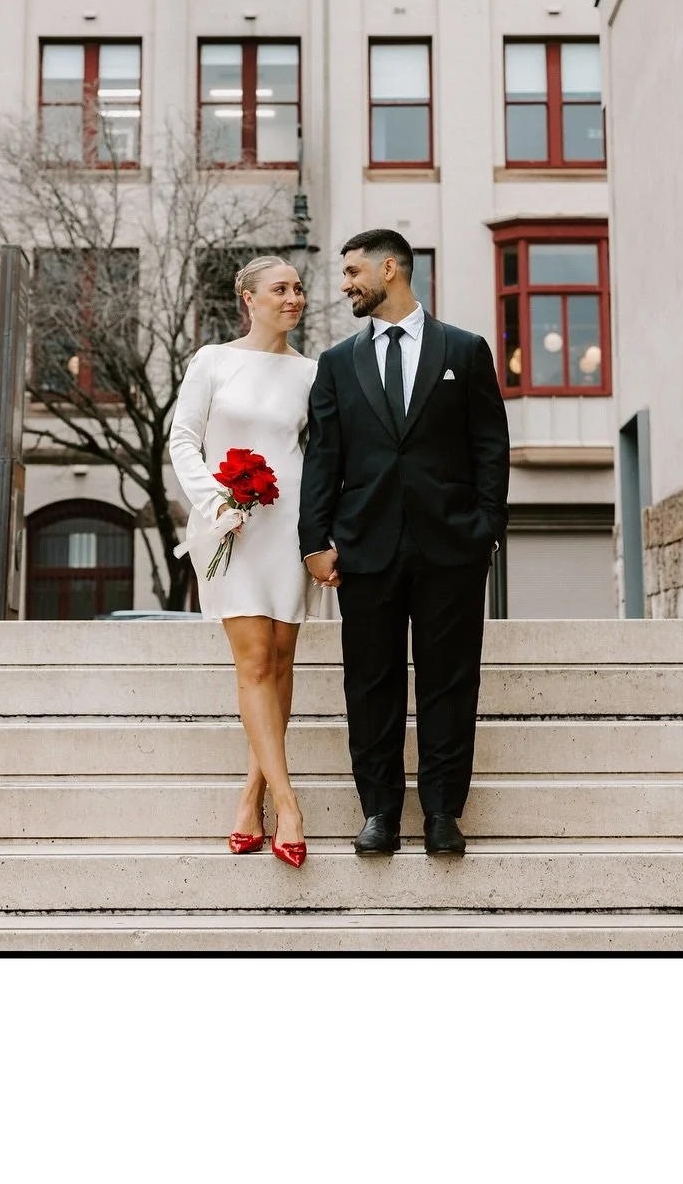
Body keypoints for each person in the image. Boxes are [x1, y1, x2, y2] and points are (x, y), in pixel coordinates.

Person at [299, 229, 510, 857]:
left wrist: (485, 529)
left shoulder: (465, 351)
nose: (344, 286)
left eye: (352, 272)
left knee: (450, 681)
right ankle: (380, 813)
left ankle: (444, 813)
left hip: (452, 547)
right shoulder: (337, 361)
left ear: (390, 269)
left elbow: (489, 449)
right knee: (371, 683)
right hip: (366, 548)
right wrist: (317, 539)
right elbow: (324, 457)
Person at [169, 256, 331, 869]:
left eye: (297, 289)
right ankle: (288, 804)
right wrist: (216, 500)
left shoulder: (314, 373)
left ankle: (251, 792)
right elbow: (184, 438)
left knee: (282, 658)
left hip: (290, 523)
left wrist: (325, 535)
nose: (294, 298)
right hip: (230, 521)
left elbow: (321, 458)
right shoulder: (212, 361)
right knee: (254, 659)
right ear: (248, 298)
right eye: (280, 289)